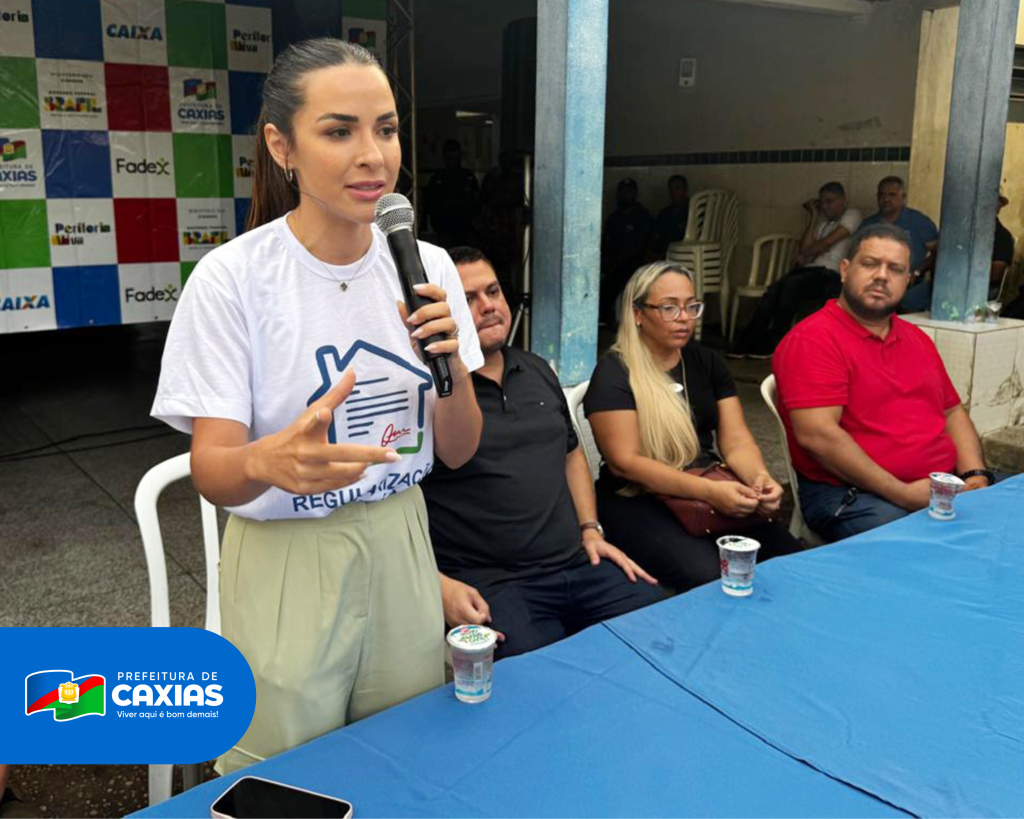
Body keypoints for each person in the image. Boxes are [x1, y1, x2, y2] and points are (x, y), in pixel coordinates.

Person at [151, 39, 484, 773]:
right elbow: (212, 471)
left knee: (403, 756)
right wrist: (265, 461)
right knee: (282, 776)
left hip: (404, 539)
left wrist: (452, 360)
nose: (373, 156)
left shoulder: (427, 266)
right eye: (339, 131)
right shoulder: (233, 279)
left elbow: (459, 448)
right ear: (282, 147)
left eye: (386, 129)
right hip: (286, 557)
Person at [422, 247, 665, 659]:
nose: (488, 306)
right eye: (468, 299)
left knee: (662, 628)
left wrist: (590, 529)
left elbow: (571, 452)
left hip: (575, 562)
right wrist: (436, 583)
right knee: (540, 675)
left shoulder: (535, 369)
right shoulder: (428, 391)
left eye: (493, 292)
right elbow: (400, 497)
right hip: (492, 583)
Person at [584, 262, 804, 592]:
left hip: (707, 486)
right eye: (669, 307)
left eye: (692, 306)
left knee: (789, 561)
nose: (684, 318)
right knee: (709, 578)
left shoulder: (707, 363)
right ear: (638, 313)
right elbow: (625, 463)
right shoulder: (614, 373)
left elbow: (736, 440)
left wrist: (760, 479)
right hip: (638, 497)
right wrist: (711, 492)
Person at [773, 223, 993, 543]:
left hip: (941, 484)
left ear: (909, 280)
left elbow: (952, 412)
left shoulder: (916, 339)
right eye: (870, 263)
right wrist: (903, 493)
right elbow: (818, 436)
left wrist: (976, 476)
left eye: (895, 269)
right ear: (845, 270)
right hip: (855, 494)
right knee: (926, 549)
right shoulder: (814, 340)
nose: (881, 276)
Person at [731, 182, 861, 358]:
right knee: (773, 291)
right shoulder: (822, 222)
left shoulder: (852, 214)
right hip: (809, 270)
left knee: (791, 287)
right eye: (822, 202)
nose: (825, 206)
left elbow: (826, 243)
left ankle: (774, 342)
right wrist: (813, 217)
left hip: (830, 272)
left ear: (843, 200)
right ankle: (748, 342)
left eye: (830, 201)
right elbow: (804, 247)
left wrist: (806, 255)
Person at [859, 176, 938, 313]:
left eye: (892, 195)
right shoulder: (869, 224)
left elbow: (937, 252)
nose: (886, 199)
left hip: (910, 286)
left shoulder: (919, 221)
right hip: (874, 283)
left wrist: (918, 271)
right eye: (882, 195)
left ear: (903, 197)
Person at [600, 178, 654, 323]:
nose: (626, 195)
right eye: (623, 192)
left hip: (634, 261)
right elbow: (605, 245)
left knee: (622, 271)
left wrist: (619, 259)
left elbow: (641, 246)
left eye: (630, 191)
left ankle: (604, 315)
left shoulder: (642, 216)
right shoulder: (613, 218)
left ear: (635, 194)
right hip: (612, 261)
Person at [425, 139, 480, 248]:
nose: (453, 162)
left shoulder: (468, 176)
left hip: (466, 226)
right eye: (450, 158)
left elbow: (477, 200)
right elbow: (429, 204)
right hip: (445, 226)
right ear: (445, 158)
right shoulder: (438, 178)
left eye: (456, 158)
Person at [650, 174, 690, 256]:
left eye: (678, 188)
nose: (674, 192)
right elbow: (656, 240)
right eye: (671, 189)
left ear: (685, 190)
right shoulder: (664, 214)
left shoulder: (693, 211)